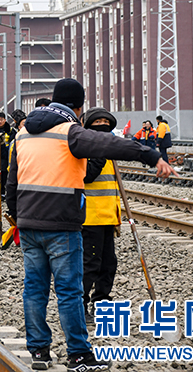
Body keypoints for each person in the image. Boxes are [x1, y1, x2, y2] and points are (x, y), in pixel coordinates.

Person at [5, 78, 176, 372]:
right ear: (79, 107)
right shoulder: (69, 132)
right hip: (62, 225)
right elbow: (108, 142)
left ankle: (40, 352)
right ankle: (78, 355)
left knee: (34, 289)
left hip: (29, 225)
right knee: (70, 291)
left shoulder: (23, 135)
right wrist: (150, 155)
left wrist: (18, 217)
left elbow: (11, 183)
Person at [81, 107, 122, 327]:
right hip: (90, 216)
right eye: (97, 123)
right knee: (90, 265)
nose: (102, 126)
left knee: (108, 264)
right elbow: (87, 175)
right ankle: (80, 305)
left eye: (106, 123)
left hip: (108, 215)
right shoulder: (86, 147)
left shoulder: (109, 147)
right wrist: (100, 150)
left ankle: (102, 303)